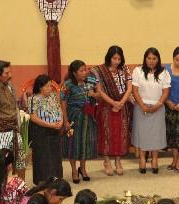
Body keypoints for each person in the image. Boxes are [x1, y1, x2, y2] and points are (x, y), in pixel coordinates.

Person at [93, 45, 133, 176]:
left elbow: (129, 88)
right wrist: (113, 102)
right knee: (106, 133)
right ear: (109, 57)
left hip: (122, 105)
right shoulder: (98, 71)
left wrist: (121, 103)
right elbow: (99, 91)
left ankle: (118, 161)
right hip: (106, 106)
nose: (116, 61)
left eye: (119, 59)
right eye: (114, 58)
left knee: (120, 134)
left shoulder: (125, 69)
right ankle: (106, 161)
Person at [132, 47, 171, 174]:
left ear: (158, 59)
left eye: (154, 58)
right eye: (149, 58)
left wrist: (158, 105)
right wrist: (142, 105)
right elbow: (135, 90)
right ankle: (142, 159)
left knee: (155, 135)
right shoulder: (137, 71)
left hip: (157, 108)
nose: (151, 61)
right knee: (142, 135)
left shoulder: (164, 72)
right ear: (145, 59)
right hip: (141, 107)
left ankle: (155, 159)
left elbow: (165, 92)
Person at [61, 60, 99, 183]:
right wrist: (65, 121)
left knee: (85, 143)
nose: (85, 72)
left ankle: (82, 168)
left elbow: (100, 95)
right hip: (74, 117)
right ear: (74, 73)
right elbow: (63, 103)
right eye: (82, 70)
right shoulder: (67, 85)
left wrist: (94, 94)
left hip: (88, 117)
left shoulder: (91, 82)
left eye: (86, 69)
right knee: (73, 144)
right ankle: (73, 170)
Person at [27, 74, 63, 185]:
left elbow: (59, 109)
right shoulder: (33, 98)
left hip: (55, 129)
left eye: (50, 86)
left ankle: (56, 178)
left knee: (55, 155)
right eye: (47, 86)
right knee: (42, 155)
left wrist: (60, 121)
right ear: (40, 87)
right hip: (41, 131)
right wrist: (49, 125)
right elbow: (33, 117)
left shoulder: (52, 96)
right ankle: (42, 180)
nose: (50, 88)